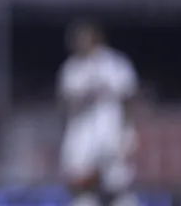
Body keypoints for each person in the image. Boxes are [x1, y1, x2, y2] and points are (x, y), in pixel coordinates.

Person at [57, 19, 139, 206]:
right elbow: (65, 105)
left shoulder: (116, 64)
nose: (78, 41)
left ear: (96, 37)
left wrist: (129, 130)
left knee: (118, 185)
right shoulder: (72, 69)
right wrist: (85, 97)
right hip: (82, 133)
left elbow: (129, 98)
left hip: (111, 130)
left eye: (83, 37)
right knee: (81, 188)